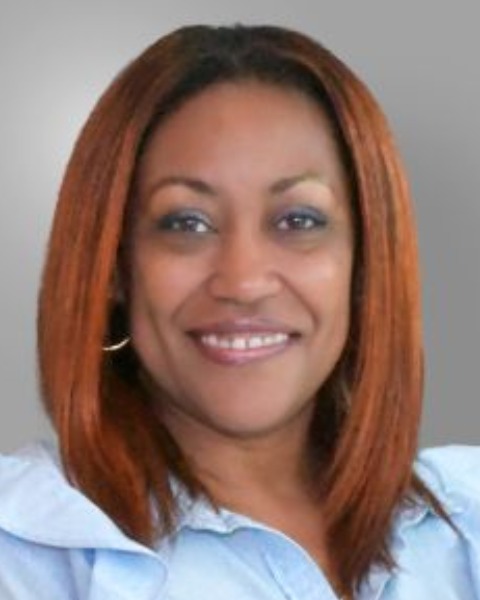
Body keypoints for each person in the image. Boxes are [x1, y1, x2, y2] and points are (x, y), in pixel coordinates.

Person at [0, 24, 478, 600]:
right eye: (186, 222)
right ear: (114, 269)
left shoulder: (467, 518)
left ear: (366, 261)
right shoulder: (21, 554)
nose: (244, 282)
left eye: (298, 220)